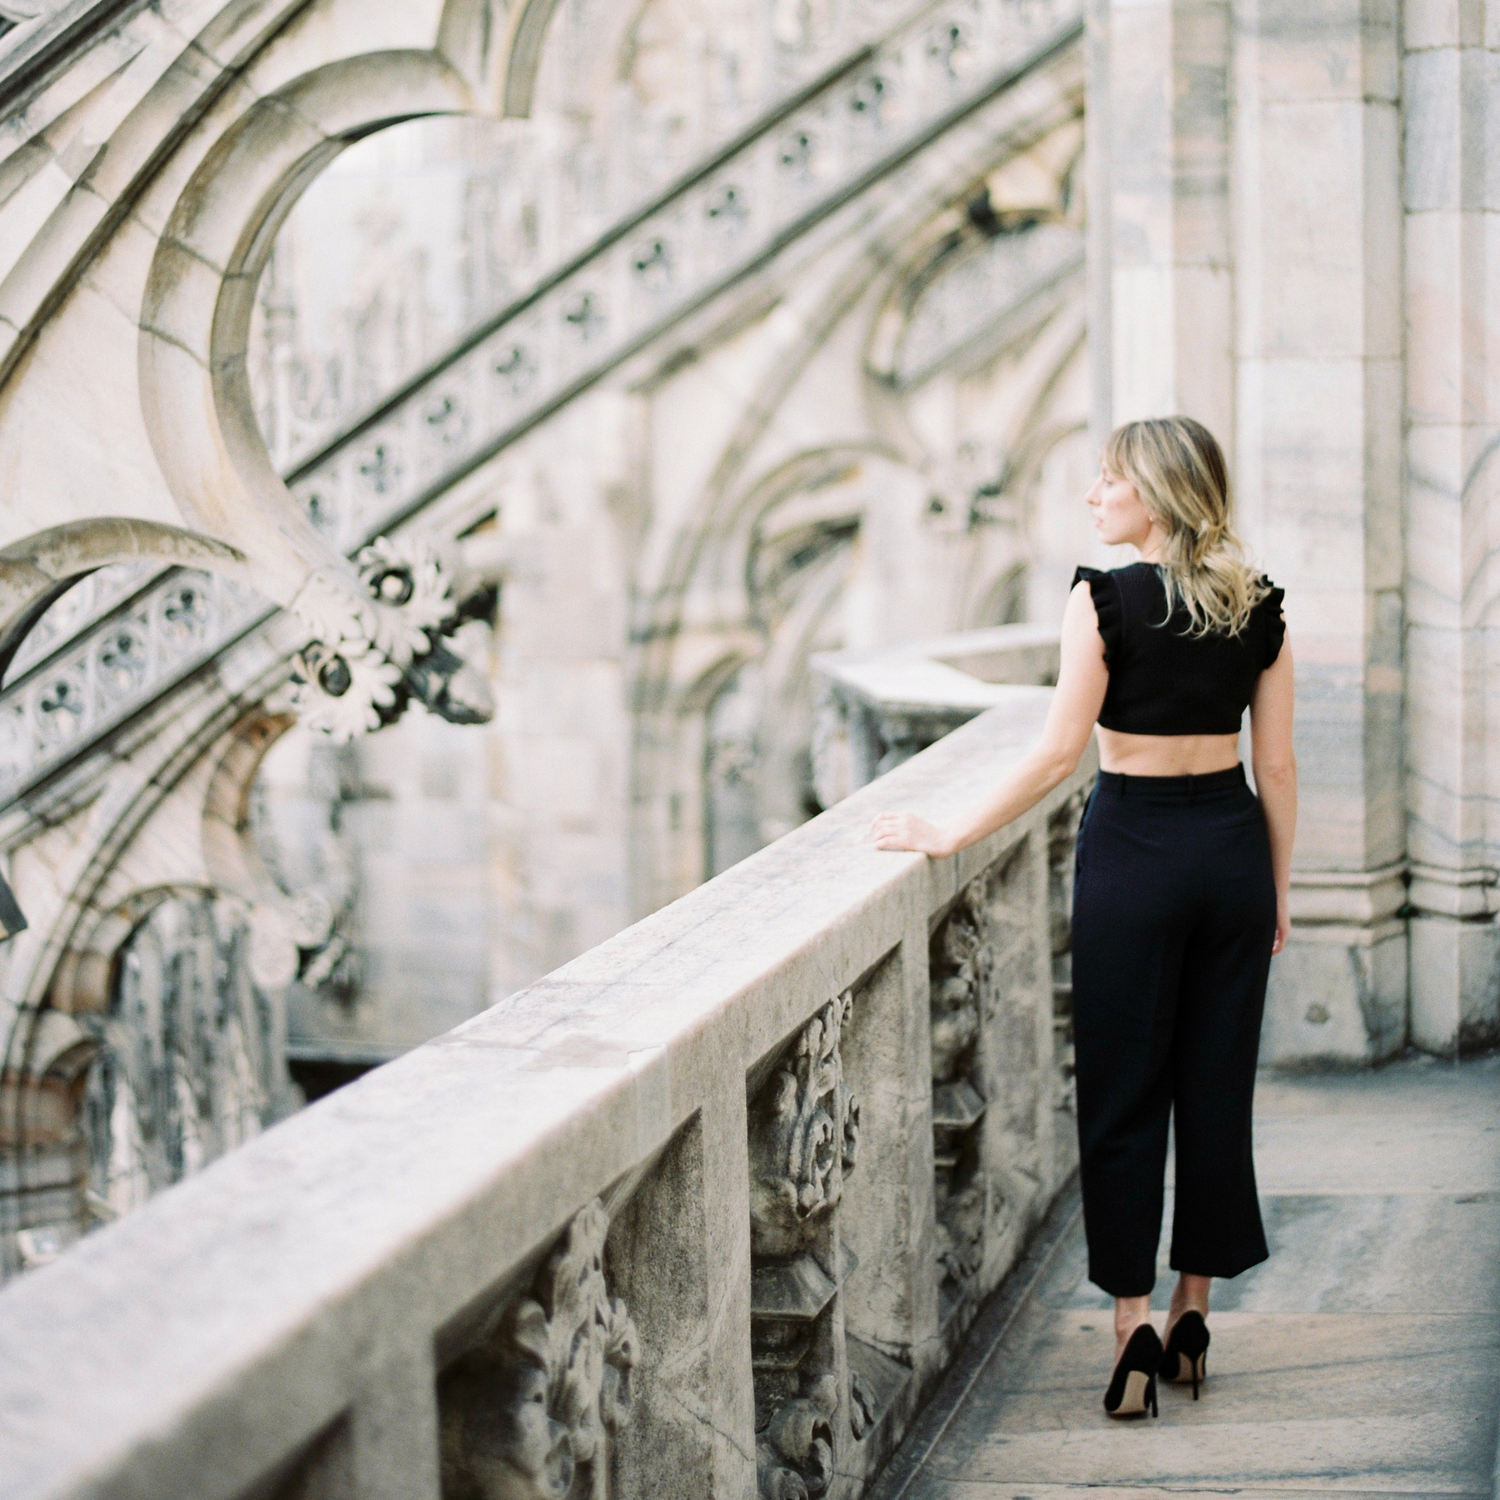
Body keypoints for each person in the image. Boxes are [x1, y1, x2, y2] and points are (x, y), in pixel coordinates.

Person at [870, 415, 1295, 1420]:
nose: (1094, 496)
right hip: (1230, 851)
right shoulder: (1260, 602)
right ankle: (1197, 1310)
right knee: (1215, 1088)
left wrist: (946, 830)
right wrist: (1276, 889)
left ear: (1156, 492)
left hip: (1134, 857)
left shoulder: (1101, 599)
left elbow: (1056, 755)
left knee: (1123, 1090)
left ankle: (1133, 1325)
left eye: (1109, 481)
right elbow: (1274, 765)